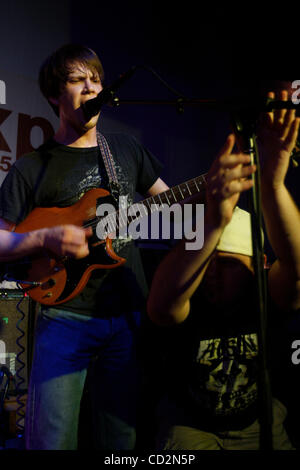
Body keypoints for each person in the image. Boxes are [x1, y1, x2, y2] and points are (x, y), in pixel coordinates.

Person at [0, 43, 169, 450]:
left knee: (121, 441)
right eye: (78, 80)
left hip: (127, 314)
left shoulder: (126, 150)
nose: (91, 88)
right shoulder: (31, 166)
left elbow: (173, 207)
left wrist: (209, 192)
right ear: (55, 94)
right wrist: (44, 237)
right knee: (52, 441)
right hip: (63, 317)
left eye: (96, 80)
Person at [147, 90, 300, 450]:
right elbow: (162, 306)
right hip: (191, 427)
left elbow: (296, 270)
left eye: (229, 262)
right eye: (208, 262)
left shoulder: (266, 293)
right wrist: (213, 221)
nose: (214, 273)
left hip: (258, 422)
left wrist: (273, 185)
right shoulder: (189, 294)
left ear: (259, 264)